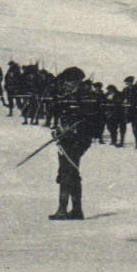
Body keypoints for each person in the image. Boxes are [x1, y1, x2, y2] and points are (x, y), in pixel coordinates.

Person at [49, 67, 99, 220]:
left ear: (76, 81)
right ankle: (76, 210)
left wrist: (75, 129)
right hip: (64, 139)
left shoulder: (86, 97)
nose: (65, 85)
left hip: (78, 140)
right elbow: (59, 116)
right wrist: (57, 130)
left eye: (68, 82)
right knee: (71, 172)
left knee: (67, 172)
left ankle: (63, 209)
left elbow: (92, 120)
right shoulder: (65, 96)